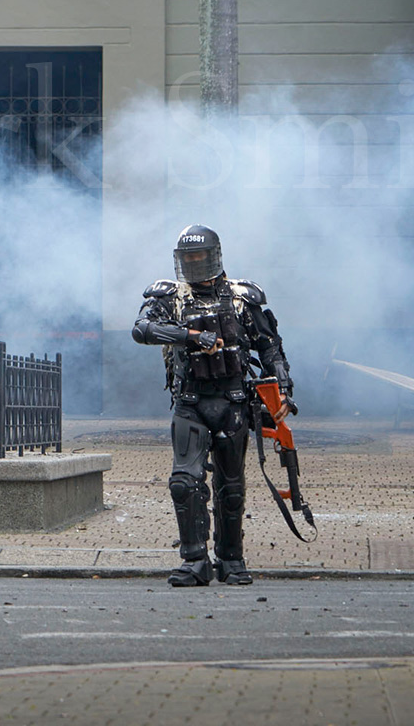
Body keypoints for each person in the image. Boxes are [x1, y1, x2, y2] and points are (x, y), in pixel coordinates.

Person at [132, 224, 294, 587]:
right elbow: (142, 329)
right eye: (187, 257)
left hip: (233, 402)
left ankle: (231, 560)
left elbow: (270, 347)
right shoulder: (170, 297)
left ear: (213, 255)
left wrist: (282, 387)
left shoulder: (241, 297)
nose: (193, 262)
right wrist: (191, 336)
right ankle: (194, 561)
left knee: (231, 486)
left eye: (198, 256)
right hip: (190, 402)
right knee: (184, 483)